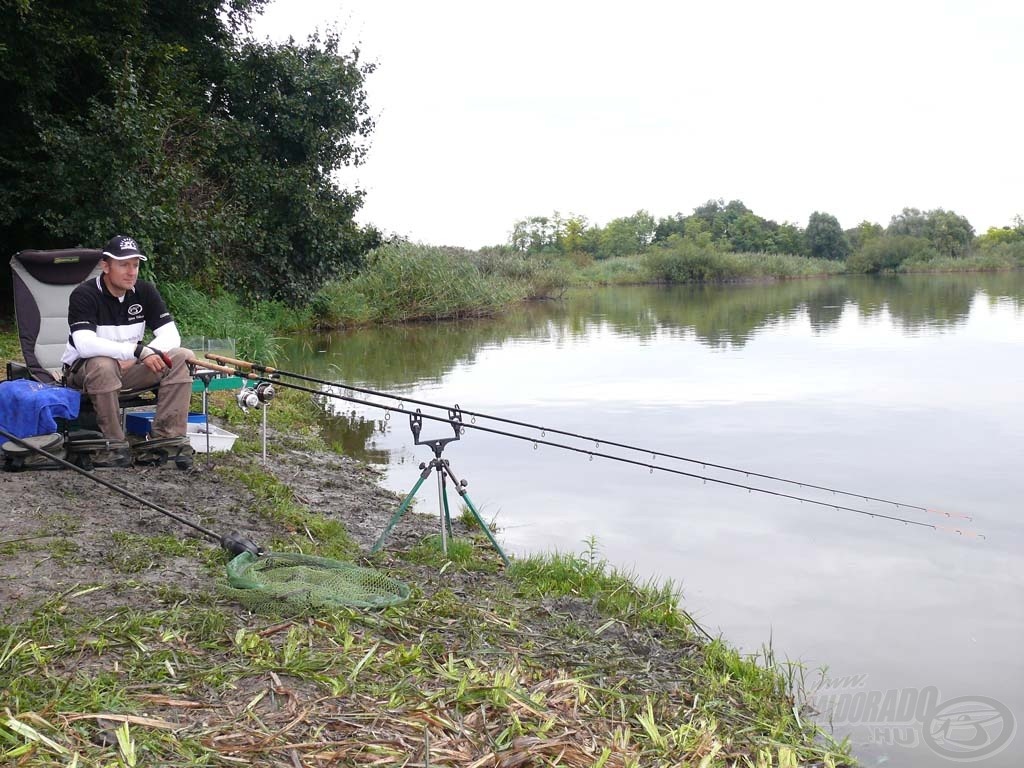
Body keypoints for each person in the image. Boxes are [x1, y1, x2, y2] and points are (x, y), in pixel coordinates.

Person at [60, 235, 194, 446]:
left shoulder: (145, 291)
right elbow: (85, 345)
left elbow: (171, 336)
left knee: (183, 357)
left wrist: (145, 352)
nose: (131, 272)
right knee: (103, 365)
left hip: (130, 369)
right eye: (123, 265)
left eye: (135, 265)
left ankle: (167, 440)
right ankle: (113, 443)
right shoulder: (84, 294)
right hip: (85, 373)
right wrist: (136, 351)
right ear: (106, 266)